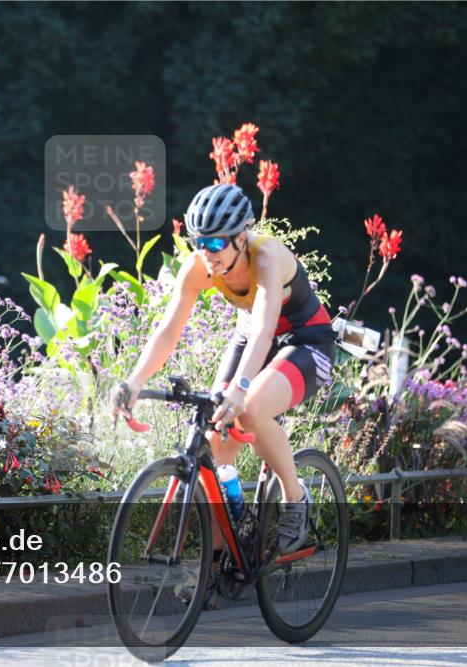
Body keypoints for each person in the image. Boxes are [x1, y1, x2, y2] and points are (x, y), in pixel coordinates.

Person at [110, 183, 336, 557]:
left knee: (250, 409)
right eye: (199, 243)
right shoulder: (200, 266)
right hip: (251, 336)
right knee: (214, 437)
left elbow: (266, 328)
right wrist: (134, 381)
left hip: (305, 340)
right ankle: (218, 561)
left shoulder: (267, 258)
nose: (206, 254)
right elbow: (168, 331)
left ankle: (295, 500)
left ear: (241, 238)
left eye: (216, 244)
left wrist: (240, 388)